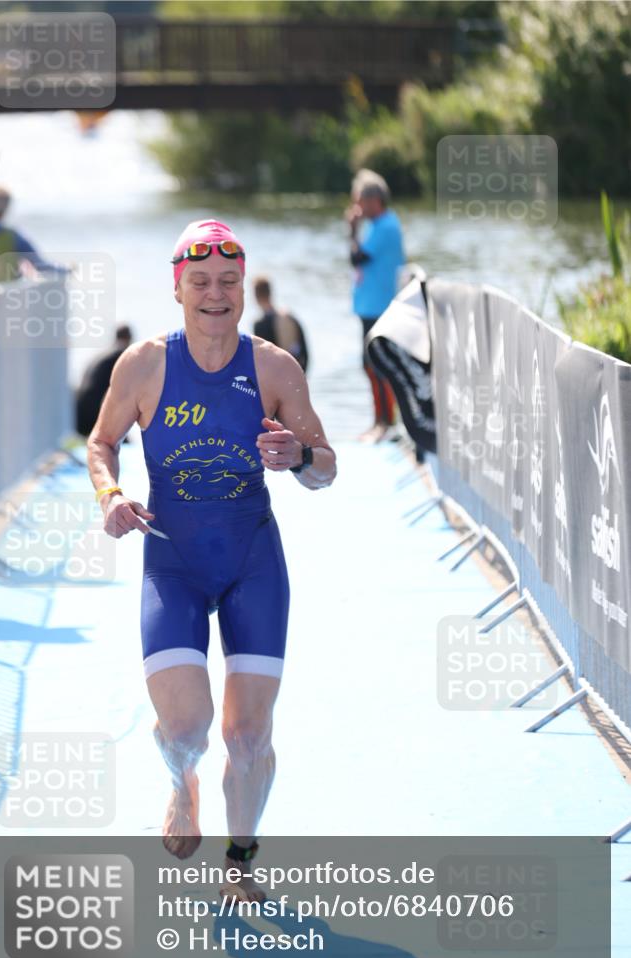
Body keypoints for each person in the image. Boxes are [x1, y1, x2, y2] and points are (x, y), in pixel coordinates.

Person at [87, 219, 336, 902]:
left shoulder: (274, 369)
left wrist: (299, 457)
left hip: (253, 560)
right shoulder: (143, 366)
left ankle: (240, 861)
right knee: (186, 729)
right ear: (178, 289)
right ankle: (181, 782)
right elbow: (101, 443)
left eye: (228, 281)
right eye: (200, 282)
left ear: (243, 289)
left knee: (249, 736)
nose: (216, 294)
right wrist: (110, 494)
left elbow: (326, 468)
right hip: (173, 565)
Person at [347, 169, 405, 443]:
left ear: (374, 200)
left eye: (360, 201)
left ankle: (387, 423)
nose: (357, 207)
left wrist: (352, 230)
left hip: (380, 307)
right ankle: (379, 421)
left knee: (378, 364)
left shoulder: (386, 226)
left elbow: (357, 258)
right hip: (370, 306)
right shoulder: (377, 225)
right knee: (368, 364)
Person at [0, 186, 65, 282]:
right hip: (9, 288)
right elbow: (40, 264)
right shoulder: (13, 236)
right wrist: (66, 270)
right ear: (5, 209)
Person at [75, 325, 134, 437]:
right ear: (129, 338)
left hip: (79, 416)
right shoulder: (122, 355)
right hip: (94, 415)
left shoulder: (102, 356)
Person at [253, 276, 309, 374]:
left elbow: (264, 360)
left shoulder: (261, 324)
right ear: (270, 292)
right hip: (297, 374)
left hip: (281, 377)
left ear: (256, 296)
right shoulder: (288, 317)